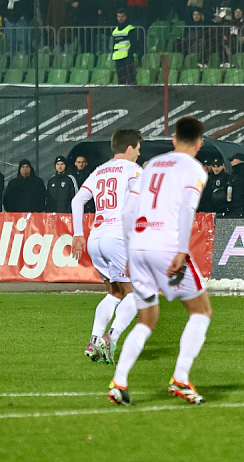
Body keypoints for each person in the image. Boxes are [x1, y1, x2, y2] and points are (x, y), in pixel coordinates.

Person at [108, 116, 211, 406]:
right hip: (166, 245)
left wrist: (129, 250)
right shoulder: (195, 169)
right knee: (201, 311)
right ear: (199, 143)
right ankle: (180, 377)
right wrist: (180, 249)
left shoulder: (151, 165)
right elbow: (188, 208)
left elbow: (128, 211)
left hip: (139, 245)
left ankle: (120, 381)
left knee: (147, 319)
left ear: (174, 139)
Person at [71, 130, 143, 364]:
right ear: (130, 148)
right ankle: (110, 339)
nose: (139, 153)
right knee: (136, 294)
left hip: (96, 238)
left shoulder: (99, 170)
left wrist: (78, 234)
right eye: (139, 148)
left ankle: (94, 340)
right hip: (118, 236)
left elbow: (77, 200)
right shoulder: (134, 170)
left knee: (114, 293)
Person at [112, 9, 137, 85]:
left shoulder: (130, 29)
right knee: (121, 79)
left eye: (122, 16)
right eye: (119, 16)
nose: (120, 18)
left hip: (127, 57)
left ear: (126, 17)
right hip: (118, 57)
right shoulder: (115, 31)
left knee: (130, 78)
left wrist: (130, 54)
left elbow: (133, 43)